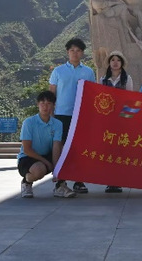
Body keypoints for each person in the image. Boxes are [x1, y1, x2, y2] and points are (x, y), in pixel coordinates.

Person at [49, 37, 96, 194]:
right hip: (61, 115)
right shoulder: (58, 71)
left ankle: (78, 180)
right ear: (67, 52)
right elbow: (51, 94)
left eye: (78, 50)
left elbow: (92, 94)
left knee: (78, 147)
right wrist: (50, 115)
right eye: (72, 50)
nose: (75, 53)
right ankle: (60, 181)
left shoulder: (88, 72)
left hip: (80, 115)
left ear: (82, 53)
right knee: (61, 147)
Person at [17, 90, 76, 199]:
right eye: (42, 103)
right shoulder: (29, 122)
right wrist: (47, 163)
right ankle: (26, 182)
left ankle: (60, 186)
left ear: (54, 106)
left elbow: (56, 146)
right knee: (39, 171)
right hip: (28, 157)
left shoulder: (57, 124)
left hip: (47, 155)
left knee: (67, 155)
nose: (45, 107)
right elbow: (27, 149)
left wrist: (56, 169)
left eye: (49, 103)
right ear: (37, 104)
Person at [100, 50, 133, 193]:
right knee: (108, 150)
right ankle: (109, 180)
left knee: (120, 150)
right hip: (107, 120)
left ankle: (118, 180)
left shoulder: (127, 79)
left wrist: (126, 120)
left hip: (121, 120)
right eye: (112, 60)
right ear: (109, 63)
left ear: (122, 63)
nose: (115, 62)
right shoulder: (103, 80)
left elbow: (130, 100)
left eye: (118, 60)